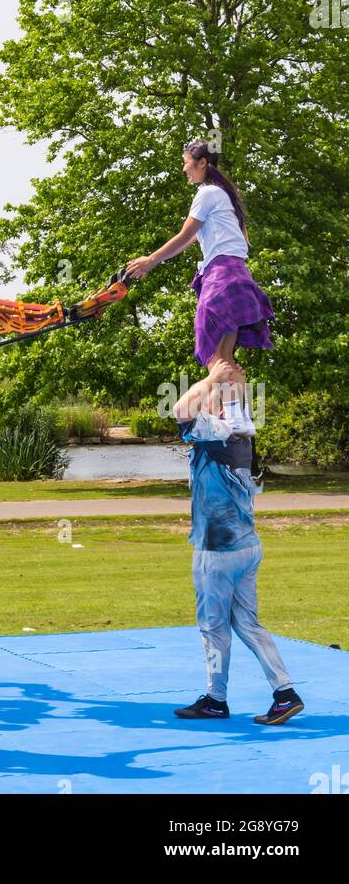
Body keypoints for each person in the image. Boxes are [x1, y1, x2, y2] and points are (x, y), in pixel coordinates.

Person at [173, 360, 304, 725]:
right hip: (247, 548)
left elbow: (180, 408)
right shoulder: (243, 437)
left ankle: (216, 699)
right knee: (248, 624)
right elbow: (233, 400)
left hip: (217, 551)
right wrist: (227, 380)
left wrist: (212, 377)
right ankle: (285, 692)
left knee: (213, 628)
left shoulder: (214, 434)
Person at [126, 139, 274, 420]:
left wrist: (150, 261)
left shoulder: (207, 193)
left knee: (215, 360)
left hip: (221, 279)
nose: (184, 169)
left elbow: (182, 237)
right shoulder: (224, 196)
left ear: (202, 163)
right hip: (237, 277)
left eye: (186, 162)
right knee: (226, 360)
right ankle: (238, 422)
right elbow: (191, 239)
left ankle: (225, 418)